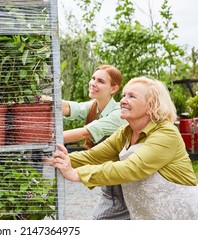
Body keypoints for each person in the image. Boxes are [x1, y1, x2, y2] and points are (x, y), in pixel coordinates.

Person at [46, 76, 198, 219]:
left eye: (131, 96)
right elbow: (92, 157)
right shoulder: (125, 133)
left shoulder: (166, 133)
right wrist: (50, 159)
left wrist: (76, 174)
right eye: (124, 95)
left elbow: (131, 168)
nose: (123, 101)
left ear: (151, 106)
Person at [41, 64, 130, 220]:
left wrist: (45, 138)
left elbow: (84, 132)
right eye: (93, 78)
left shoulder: (118, 114)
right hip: (111, 180)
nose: (93, 83)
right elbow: (71, 107)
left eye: (101, 81)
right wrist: (42, 99)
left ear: (114, 89)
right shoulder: (94, 107)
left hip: (125, 182)